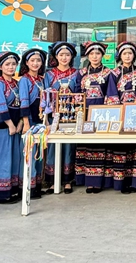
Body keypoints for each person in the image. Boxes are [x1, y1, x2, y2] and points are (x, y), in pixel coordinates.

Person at [105, 41, 136, 193]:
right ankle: (120, 182)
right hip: (121, 113)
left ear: (134, 55)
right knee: (121, 147)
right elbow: (112, 94)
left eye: (130, 53)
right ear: (120, 56)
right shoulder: (114, 73)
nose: (127, 56)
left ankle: (134, 181)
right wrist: (118, 112)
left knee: (135, 147)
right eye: (124, 53)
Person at [0, 51, 28, 204]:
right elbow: (0, 105)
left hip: (15, 127)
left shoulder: (16, 84)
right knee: (3, 159)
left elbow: (20, 106)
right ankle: (1, 194)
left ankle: (12, 190)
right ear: (0, 66)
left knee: (14, 158)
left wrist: (20, 123)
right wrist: (11, 125)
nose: (11, 67)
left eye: (13, 64)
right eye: (7, 64)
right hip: (2, 127)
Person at [77, 41, 113, 194]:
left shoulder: (108, 73)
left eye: (97, 53)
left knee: (100, 146)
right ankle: (87, 180)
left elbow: (111, 94)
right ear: (87, 55)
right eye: (91, 53)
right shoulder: (80, 73)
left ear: (102, 55)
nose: (94, 56)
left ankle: (99, 181)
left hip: (101, 113)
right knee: (85, 146)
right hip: (84, 114)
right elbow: (76, 93)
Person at [43, 42, 80, 193]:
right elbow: (45, 96)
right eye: (61, 55)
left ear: (71, 57)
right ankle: (53, 180)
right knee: (53, 147)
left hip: (71, 115)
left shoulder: (77, 73)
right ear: (56, 56)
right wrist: (45, 117)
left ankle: (67, 180)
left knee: (69, 146)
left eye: (67, 55)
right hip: (54, 115)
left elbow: (79, 93)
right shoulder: (49, 74)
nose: (64, 58)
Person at [18, 48, 47, 199]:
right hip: (30, 120)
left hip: (41, 120)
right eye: (32, 61)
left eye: (38, 60)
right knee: (29, 152)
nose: (35, 63)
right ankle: (28, 186)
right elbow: (24, 101)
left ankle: (37, 186)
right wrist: (25, 123)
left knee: (38, 153)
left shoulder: (42, 79)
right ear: (27, 63)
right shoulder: (24, 80)